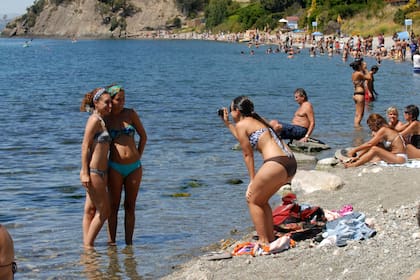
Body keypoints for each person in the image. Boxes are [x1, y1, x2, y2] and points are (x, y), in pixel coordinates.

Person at [220, 96, 297, 247]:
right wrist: (228, 123)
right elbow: (244, 138)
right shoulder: (258, 120)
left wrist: (252, 180)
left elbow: (247, 154)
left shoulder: (242, 124)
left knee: (252, 200)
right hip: (290, 162)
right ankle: (270, 239)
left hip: (276, 163)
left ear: (236, 110)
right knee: (261, 200)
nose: (230, 113)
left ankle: (263, 241)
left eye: (231, 110)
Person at [105, 85, 147, 246]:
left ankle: (129, 244)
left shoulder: (130, 114)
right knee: (114, 206)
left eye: (123, 99)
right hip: (115, 166)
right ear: (110, 100)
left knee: (130, 206)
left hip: (134, 167)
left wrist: (138, 155)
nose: (122, 102)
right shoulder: (106, 118)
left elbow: (143, 136)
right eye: (118, 99)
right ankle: (112, 243)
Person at [80, 87, 112, 248]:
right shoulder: (93, 120)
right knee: (104, 211)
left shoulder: (101, 120)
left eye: (110, 103)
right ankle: (88, 246)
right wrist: (84, 172)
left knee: (90, 210)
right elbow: (85, 145)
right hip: (94, 173)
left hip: (101, 172)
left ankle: (87, 248)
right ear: (96, 102)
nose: (109, 106)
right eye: (106, 103)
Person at [350, 59, 371, 127]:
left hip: (356, 94)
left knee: (357, 113)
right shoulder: (359, 73)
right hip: (360, 94)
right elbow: (369, 77)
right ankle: (357, 128)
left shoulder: (354, 73)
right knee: (360, 114)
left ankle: (356, 126)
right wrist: (365, 69)